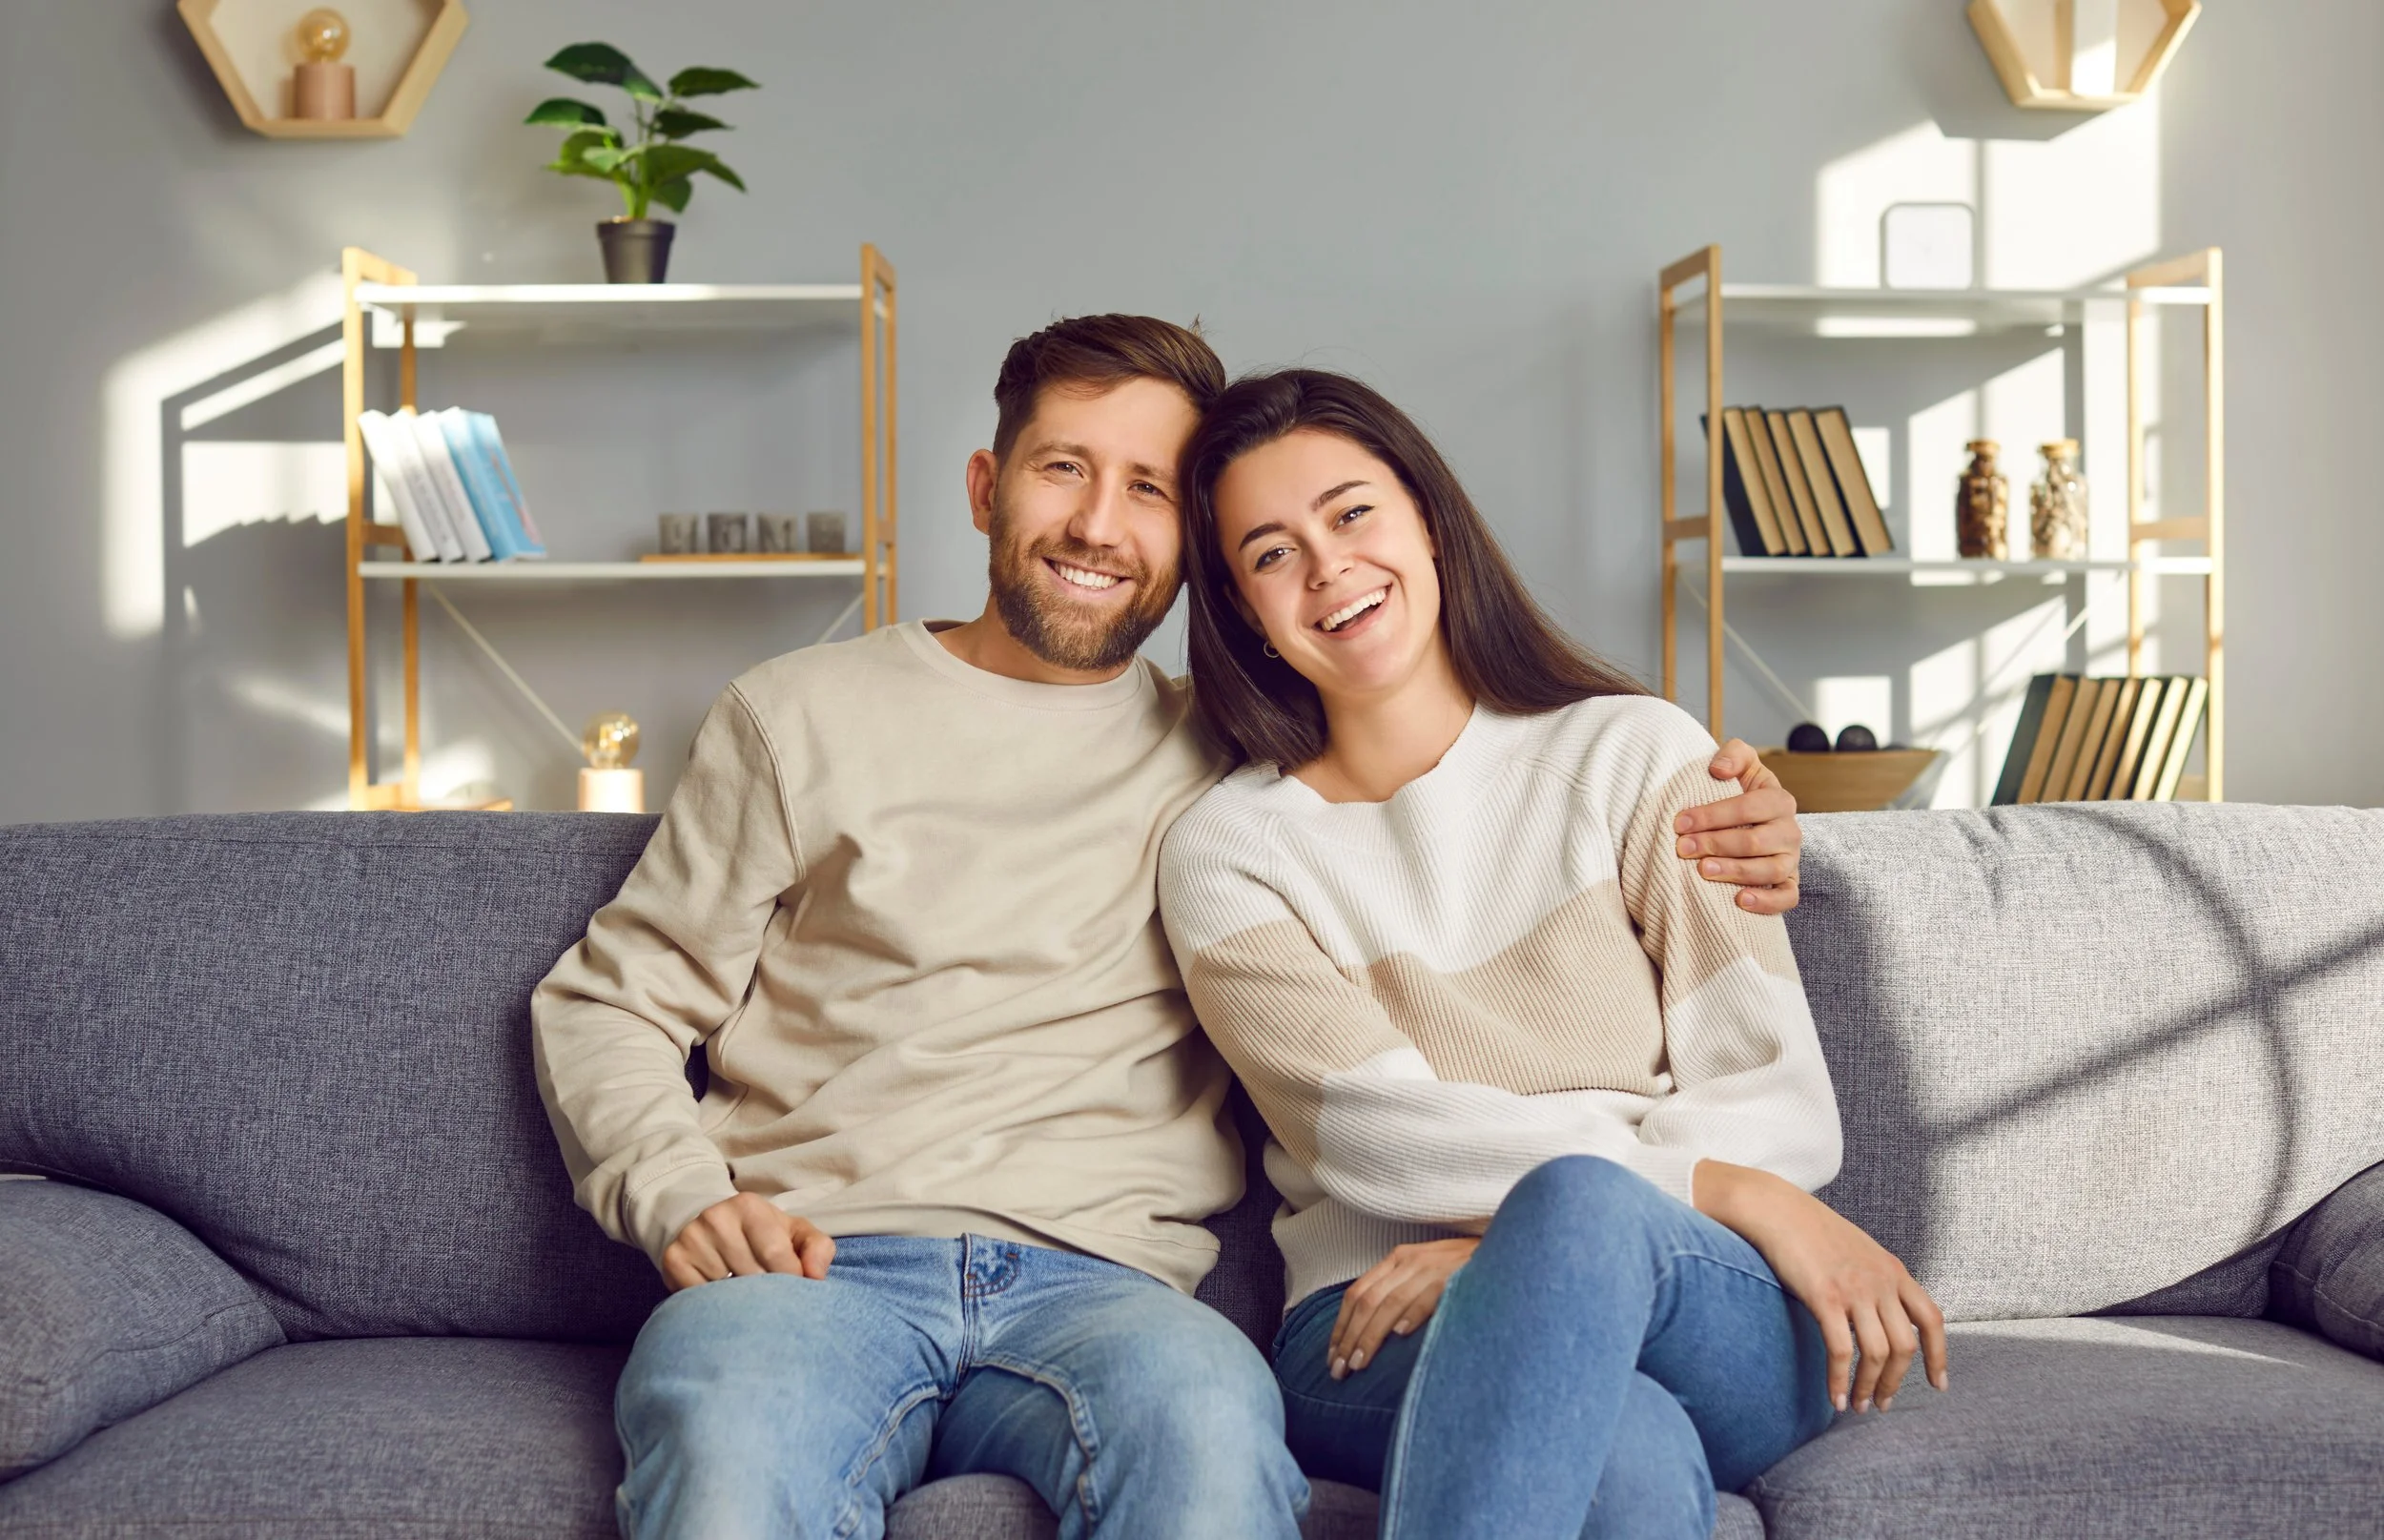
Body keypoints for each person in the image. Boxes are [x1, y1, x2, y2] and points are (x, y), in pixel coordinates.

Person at [531, 318, 1806, 1540]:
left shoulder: (1242, 760)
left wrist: (1749, 816)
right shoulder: (793, 713)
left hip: (1114, 1287)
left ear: (1195, 547)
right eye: (1062, 471)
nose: (1097, 524)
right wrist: (682, 1194)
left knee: (1208, 1444)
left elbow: (1446, 780)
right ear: (986, 486)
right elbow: (611, 999)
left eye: (1148, 489)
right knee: (730, 1462)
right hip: (818, 1266)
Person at [1159, 368, 1948, 1540]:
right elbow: (1382, 1138)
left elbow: (1774, 1098)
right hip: (1369, 1319)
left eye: (1351, 511)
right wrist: (1651, 1206)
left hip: (1703, 1296)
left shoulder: (1636, 755)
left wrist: (1512, 1244)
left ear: (1427, 518)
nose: (1326, 567)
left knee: (1579, 1210)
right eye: (1270, 553)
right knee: (1620, 1453)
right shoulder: (1229, 852)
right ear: (1239, 608)